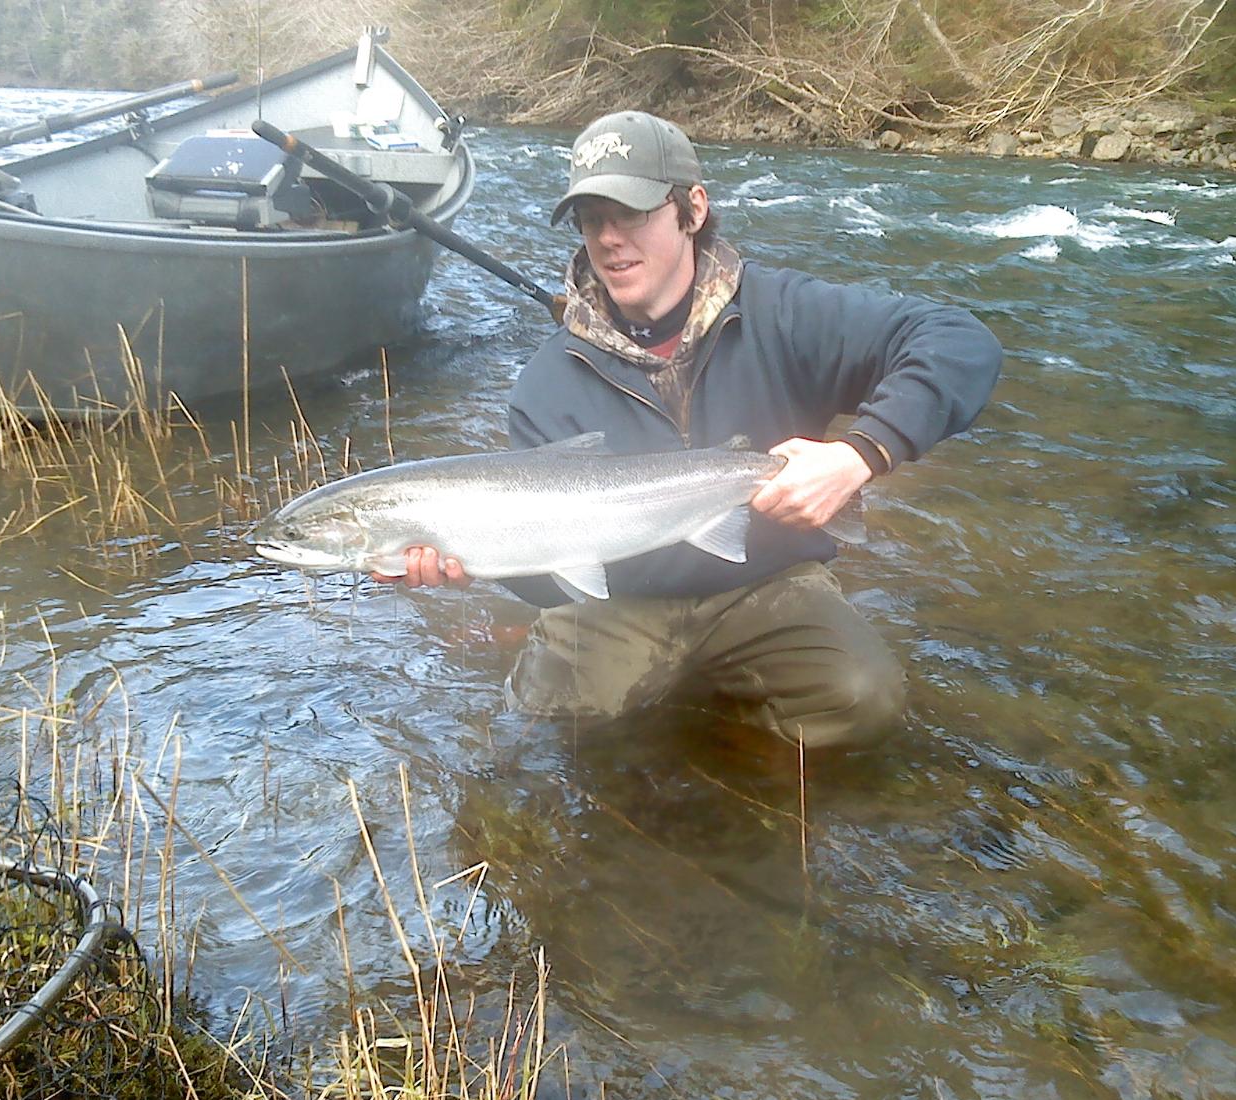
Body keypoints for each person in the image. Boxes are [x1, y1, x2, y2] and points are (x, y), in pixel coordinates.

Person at [383, 111, 1002, 750]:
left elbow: (959, 341)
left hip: (764, 581)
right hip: (620, 601)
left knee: (863, 700)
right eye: (591, 220)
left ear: (693, 210)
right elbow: (550, 578)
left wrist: (860, 454)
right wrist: (472, 561)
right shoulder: (547, 382)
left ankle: (728, 747)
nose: (609, 239)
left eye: (631, 213)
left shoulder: (783, 314)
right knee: (546, 731)